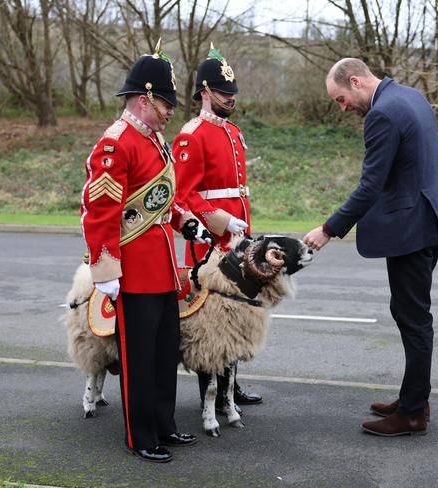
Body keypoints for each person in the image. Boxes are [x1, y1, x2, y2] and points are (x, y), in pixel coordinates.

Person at [303, 58, 438, 436]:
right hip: (433, 219)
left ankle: (411, 414)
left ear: (355, 81)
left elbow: (370, 186)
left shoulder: (382, 115)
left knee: (414, 318)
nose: (342, 108)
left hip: (411, 229)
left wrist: (328, 229)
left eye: (341, 99)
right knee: (409, 312)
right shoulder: (412, 97)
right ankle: (413, 398)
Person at [81, 42, 209, 462]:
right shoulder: (116, 143)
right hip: (132, 271)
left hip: (161, 267)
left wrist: (186, 222)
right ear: (144, 98)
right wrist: (106, 271)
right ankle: (141, 436)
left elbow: (161, 200)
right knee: (138, 359)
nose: (172, 110)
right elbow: (101, 212)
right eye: (166, 103)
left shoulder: (153, 139)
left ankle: (164, 425)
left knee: (163, 351)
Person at [172, 43, 263, 414]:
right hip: (211, 240)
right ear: (205, 92)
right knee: (211, 318)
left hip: (238, 237)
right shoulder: (192, 134)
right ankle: (211, 392)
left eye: (233, 93)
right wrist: (220, 222)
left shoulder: (232, 132)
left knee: (238, 310)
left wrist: (240, 227)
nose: (231, 99)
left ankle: (232, 385)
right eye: (225, 93)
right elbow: (183, 195)